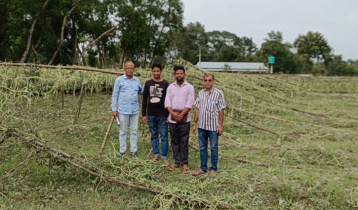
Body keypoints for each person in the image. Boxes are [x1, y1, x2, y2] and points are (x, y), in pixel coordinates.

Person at [192, 74, 226, 177]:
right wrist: (194, 123)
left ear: (213, 81)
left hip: (213, 127)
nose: (207, 82)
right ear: (203, 81)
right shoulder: (201, 93)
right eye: (205, 80)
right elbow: (197, 109)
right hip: (202, 125)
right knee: (202, 148)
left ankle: (213, 169)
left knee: (214, 147)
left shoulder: (218, 93)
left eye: (209, 80)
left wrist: (220, 125)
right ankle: (203, 168)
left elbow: (221, 110)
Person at [164, 65, 195, 174]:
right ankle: (176, 161)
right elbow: (167, 102)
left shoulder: (189, 87)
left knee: (184, 141)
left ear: (184, 74)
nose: (179, 75)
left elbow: (190, 103)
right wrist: (172, 113)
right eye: (177, 73)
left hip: (185, 119)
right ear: (174, 75)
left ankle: (185, 163)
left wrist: (181, 114)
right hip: (172, 119)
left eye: (181, 73)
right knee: (174, 141)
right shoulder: (170, 87)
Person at [111, 60, 143, 158]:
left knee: (134, 131)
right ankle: (122, 151)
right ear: (124, 69)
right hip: (123, 110)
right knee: (123, 131)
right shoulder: (119, 80)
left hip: (135, 110)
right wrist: (113, 109)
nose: (129, 70)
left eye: (131, 68)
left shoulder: (137, 80)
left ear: (134, 69)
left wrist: (148, 87)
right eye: (127, 68)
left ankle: (134, 151)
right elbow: (115, 95)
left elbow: (140, 91)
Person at [142, 63, 170, 165]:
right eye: (154, 71)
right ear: (152, 71)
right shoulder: (148, 83)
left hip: (163, 114)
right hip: (151, 114)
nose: (156, 73)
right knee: (154, 135)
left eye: (158, 71)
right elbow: (145, 99)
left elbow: (168, 100)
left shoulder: (166, 84)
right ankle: (156, 154)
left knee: (164, 135)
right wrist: (144, 114)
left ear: (161, 71)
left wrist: (168, 115)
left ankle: (164, 157)